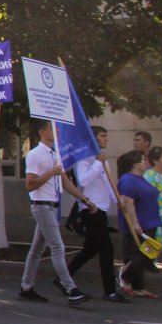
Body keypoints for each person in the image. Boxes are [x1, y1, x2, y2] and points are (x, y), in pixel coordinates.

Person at [19, 120, 94, 306]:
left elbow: (67, 183)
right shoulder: (35, 155)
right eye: (53, 129)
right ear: (42, 132)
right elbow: (30, 185)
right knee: (57, 247)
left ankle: (26, 287)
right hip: (41, 205)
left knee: (37, 249)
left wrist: (84, 200)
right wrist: (52, 172)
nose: (58, 132)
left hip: (52, 206)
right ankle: (71, 289)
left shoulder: (55, 154)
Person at [64, 127, 127, 303]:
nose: (106, 139)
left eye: (107, 135)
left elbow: (108, 184)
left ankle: (63, 277)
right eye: (102, 136)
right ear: (92, 138)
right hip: (90, 209)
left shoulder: (101, 160)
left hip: (101, 209)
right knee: (107, 249)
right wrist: (98, 163)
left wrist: (118, 202)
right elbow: (83, 181)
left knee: (90, 249)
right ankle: (110, 291)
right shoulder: (83, 159)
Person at [116, 150, 161, 298]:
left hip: (150, 221)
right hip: (140, 224)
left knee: (145, 253)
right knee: (144, 254)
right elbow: (128, 202)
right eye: (143, 161)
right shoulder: (128, 179)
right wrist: (135, 223)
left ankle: (138, 286)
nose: (146, 163)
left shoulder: (141, 179)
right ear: (135, 164)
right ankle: (125, 275)